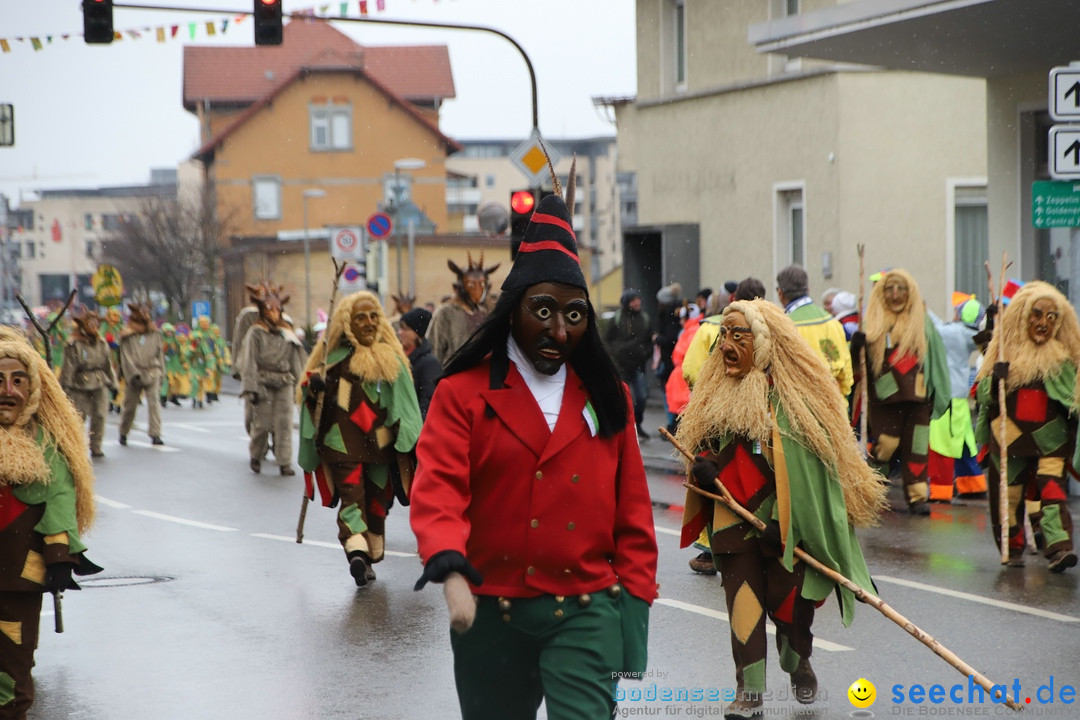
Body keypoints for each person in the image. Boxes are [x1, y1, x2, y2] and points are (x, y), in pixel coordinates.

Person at [409, 188, 658, 720]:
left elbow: (633, 517)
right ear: (513, 310)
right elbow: (438, 488)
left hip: (588, 611)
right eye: (542, 311)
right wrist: (447, 560)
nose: (558, 330)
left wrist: (632, 625)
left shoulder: (605, 396)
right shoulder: (462, 394)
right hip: (488, 611)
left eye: (574, 314)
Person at [676, 299, 884, 718]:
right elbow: (709, 446)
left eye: (740, 335)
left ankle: (799, 661)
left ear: (765, 343)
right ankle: (749, 693)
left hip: (784, 531)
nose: (728, 345)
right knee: (744, 610)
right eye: (725, 336)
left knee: (790, 614)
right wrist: (703, 465)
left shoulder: (794, 403)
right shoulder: (715, 395)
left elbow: (811, 476)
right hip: (732, 524)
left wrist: (783, 521)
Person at [0, 328, 101, 719]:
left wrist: (60, 556)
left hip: (19, 576)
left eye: (18, 381)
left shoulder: (47, 446)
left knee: (13, 660)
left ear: (34, 389)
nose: (7, 390)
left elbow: (60, 499)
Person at [297, 291, 421, 586]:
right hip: (342, 444)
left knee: (378, 500)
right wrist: (313, 387)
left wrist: (407, 436)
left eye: (373, 317)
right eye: (360, 318)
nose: (367, 323)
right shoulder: (333, 360)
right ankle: (357, 552)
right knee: (353, 497)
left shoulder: (392, 360)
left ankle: (367, 552)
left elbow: (405, 405)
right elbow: (314, 399)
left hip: (380, 445)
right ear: (347, 322)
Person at [974, 281, 1080, 572]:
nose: (1043, 323)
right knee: (1008, 495)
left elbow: (1074, 399)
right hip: (1010, 436)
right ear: (1023, 317)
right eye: (1037, 314)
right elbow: (981, 394)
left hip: (1051, 438)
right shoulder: (1004, 353)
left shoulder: (1064, 360)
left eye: (1051, 317)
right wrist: (996, 379)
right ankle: (1013, 547)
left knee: (1053, 492)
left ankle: (1059, 548)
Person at [850, 268, 949, 515]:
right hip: (885, 399)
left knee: (917, 447)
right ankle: (872, 491)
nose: (896, 295)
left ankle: (918, 498)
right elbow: (858, 366)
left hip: (918, 399)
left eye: (901, 289)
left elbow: (936, 360)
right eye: (890, 289)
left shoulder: (923, 323)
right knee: (885, 445)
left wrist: (940, 393)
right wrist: (857, 346)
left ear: (910, 292)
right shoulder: (873, 322)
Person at [236, 282, 307, 476]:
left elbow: (296, 360)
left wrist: (303, 386)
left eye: (278, 309)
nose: (275, 313)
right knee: (262, 423)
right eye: (270, 309)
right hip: (262, 380)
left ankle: (284, 462)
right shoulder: (255, 332)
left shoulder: (287, 332)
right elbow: (249, 360)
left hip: (284, 381)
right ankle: (256, 455)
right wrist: (250, 388)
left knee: (284, 423)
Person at [927, 296, 988, 502]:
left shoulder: (955, 333)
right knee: (963, 444)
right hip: (958, 398)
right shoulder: (969, 334)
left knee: (940, 446)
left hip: (946, 397)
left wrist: (920, 307)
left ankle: (940, 490)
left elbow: (935, 327)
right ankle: (973, 484)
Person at [776, 265, 854, 398]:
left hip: (799, 409)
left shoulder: (782, 327)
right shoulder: (833, 323)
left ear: (780, 293)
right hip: (834, 407)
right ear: (808, 289)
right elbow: (846, 375)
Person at [58, 309, 118, 459]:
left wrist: (114, 384)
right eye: (90, 324)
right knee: (78, 417)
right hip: (79, 384)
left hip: (99, 381)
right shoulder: (74, 344)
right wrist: (65, 387)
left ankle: (96, 446)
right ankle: (76, 448)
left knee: (100, 415)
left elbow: (107, 365)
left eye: (96, 324)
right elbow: (69, 366)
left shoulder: (101, 343)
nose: (94, 327)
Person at [427, 254, 500, 366]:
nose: (476, 290)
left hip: (485, 375)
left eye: (481, 284)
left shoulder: (490, 313)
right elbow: (435, 349)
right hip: (455, 375)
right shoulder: (446, 313)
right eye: (471, 284)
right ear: (461, 285)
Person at [606, 288, 653, 439]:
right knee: (622, 398)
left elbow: (649, 340)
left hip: (638, 366)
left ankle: (637, 424)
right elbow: (608, 340)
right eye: (633, 300)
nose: (637, 302)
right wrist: (616, 354)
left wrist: (645, 354)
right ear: (627, 303)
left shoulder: (645, 319)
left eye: (638, 299)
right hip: (621, 366)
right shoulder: (617, 318)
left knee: (642, 397)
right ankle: (623, 427)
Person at [117, 303, 165, 447]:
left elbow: (160, 355)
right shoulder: (128, 336)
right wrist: (132, 374)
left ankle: (155, 434)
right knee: (130, 406)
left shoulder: (155, 334)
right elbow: (125, 356)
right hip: (135, 375)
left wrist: (162, 373)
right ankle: (124, 431)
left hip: (152, 371)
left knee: (154, 404)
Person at [397, 307, 442, 420]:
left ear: (417, 334)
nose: (400, 332)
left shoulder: (429, 364)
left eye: (405, 329)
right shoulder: (400, 359)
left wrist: (417, 433)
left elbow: (428, 404)